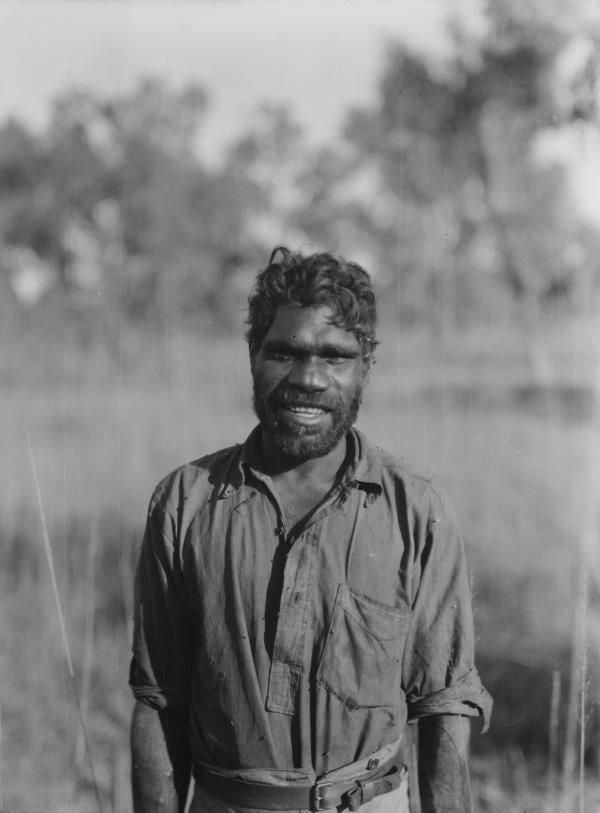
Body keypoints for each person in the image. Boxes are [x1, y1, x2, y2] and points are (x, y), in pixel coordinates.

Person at [129, 246, 492, 813]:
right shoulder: (186, 501)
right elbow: (158, 700)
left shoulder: (416, 510)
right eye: (285, 353)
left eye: (335, 356)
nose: (309, 378)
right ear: (253, 354)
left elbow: (444, 703)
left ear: (365, 367)